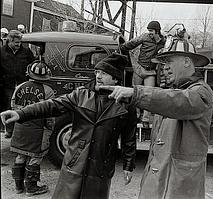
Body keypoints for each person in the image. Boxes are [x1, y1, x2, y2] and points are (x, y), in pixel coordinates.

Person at [1, 53, 137, 199]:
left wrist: (128, 166)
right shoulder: (81, 95)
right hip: (75, 162)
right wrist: (21, 114)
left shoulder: (126, 105)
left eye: (103, 73)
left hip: (101, 167)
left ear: (115, 78)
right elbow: (51, 105)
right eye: (97, 72)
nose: (98, 76)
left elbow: (129, 138)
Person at [99, 33, 213, 199]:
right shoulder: (170, 91)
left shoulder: (201, 92)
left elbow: (177, 101)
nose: (165, 67)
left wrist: (135, 93)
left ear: (187, 61)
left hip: (178, 186)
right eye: (164, 63)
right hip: (160, 184)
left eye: (169, 61)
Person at [9, 61, 55, 196]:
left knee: (20, 155)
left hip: (21, 126)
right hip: (38, 129)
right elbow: (50, 114)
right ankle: (31, 187)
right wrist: (50, 129)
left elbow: (13, 106)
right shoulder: (48, 91)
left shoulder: (20, 87)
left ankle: (18, 187)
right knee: (35, 156)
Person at [120, 21, 165, 127]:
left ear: (157, 31)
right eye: (149, 30)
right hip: (140, 69)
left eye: (151, 31)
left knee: (149, 95)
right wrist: (122, 48)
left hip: (151, 71)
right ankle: (135, 116)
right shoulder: (144, 37)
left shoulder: (164, 41)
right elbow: (132, 43)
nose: (149, 33)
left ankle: (145, 119)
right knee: (135, 92)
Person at [0, 30, 35, 138]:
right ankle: (9, 130)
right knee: (9, 106)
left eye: (20, 42)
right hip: (7, 85)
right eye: (16, 43)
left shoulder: (26, 51)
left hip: (22, 84)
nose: (19, 45)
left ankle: (21, 131)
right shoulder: (2, 52)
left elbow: (32, 63)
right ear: (9, 41)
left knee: (22, 107)